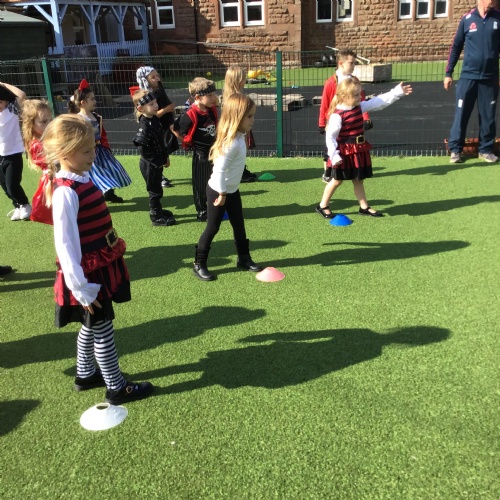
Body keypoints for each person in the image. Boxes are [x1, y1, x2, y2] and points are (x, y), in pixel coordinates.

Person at [41, 114, 154, 404]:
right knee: (103, 328)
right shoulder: (66, 192)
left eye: (92, 148)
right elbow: (65, 245)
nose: (93, 155)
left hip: (100, 265)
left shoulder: (80, 178)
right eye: (86, 151)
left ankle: (85, 373)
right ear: (65, 153)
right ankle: (116, 387)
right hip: (88, 274)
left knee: (91, 325)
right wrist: (81, 289)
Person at [316, 78, 412, 219]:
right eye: (356, 95)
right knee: (336, 180)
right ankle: (323, 206)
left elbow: (378, 102)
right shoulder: (337, 115)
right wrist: (334, 156)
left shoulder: (359, 107)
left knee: (358, 179)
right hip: (343, 153)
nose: (359, 97)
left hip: (357, 151)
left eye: (359, 94)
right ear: (344, 97)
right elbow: (330, 138)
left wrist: (396, 92)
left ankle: (364, 207)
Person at [193, 93, 263, 281]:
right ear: (237, 117)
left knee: (239, 224)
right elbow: (219, 171)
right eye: (249, 116)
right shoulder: (231, 143)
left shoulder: (239, 136)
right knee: (212, 227)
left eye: (253, 115)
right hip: (218, 191)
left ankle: (244, 258)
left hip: (231, 190)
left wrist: (229, 191)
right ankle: (199, 263)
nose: (253, 120)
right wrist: (222, 194)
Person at [445, 0, 500, 164]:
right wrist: (448, 73)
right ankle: (456, 150)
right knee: (461, 114)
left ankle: (486, 150)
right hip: (468, 77)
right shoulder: (467, 19)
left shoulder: (498, 18)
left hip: (490, 78)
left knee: (488, 116)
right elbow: (456, 46)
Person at [68, 79, 131, 202]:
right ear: (83, 102)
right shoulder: (79, 119)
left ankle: (109, 193)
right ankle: (93, 197)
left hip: (100, 150)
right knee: (95, 174)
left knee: (109, 169)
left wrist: (105, 146)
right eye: (92, 99)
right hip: (88, 151)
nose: (95, 101)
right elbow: (76, 138)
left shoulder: (96, 116)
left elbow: (101, 134)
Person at [318, 49, 372, 183]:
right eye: (351, 63)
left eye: (354, 63)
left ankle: (350, 170)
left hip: (351, 121)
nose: (353, 66)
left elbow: (361, 101)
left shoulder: (355, 81)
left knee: (350, 147)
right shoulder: (331, 82)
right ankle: (328, 173)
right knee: (330, 147)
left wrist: (365, 117)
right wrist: (322, 123)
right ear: (341, 63)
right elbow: (325, 103)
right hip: (335, 121)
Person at [173, 77, 218, 222]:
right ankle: (202, 210)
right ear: (198, 97)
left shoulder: (211, 110)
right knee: (201, 183)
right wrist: (187, 141)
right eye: (209, 95)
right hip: (201, 155)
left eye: (214, 94)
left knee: (215, 180)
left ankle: (214, 207)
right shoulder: (190, 114)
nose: (213, 98)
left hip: (214, 152)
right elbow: (175, 129)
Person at [132, 89, 176, 227]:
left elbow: (160, 142)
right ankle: (155, 216)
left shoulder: (154, 119)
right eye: (151, 104)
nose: (156, 105)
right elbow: (142, 148)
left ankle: (158, 210)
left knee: (157, 188)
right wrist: (157, 162)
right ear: (141, 108)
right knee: (154, 191)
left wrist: (165, 157)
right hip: (149, 165)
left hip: (156, 162)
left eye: (155, 102)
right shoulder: (144, 125)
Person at [136, 65, 177, 188]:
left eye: (157, 75)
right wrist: (166, 109)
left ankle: (160, 171)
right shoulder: (145, 97)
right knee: (154, 150)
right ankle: (157, 176)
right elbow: (151, 116)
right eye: (153, 77)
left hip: (163, 126)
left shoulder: (158, 88)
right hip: (154, 127)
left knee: (163, 148)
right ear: (145, 80)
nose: (157, 79)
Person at [0, 82, 31, 221]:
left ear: (7, 100)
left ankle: (25, 204)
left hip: (13, 153)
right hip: (0, 155)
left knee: (12, 185)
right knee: (4, 186)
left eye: (0, 102)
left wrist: (2, 84)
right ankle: (17, 206)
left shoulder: (12, 109)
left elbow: (22, 95)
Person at [222, 65, 258, 183]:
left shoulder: (235, 95)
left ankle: (241, 169)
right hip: (235, 129)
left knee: (241, 148)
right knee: (237, 148)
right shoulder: (233, 98)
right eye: (243, 78)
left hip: (240, 128)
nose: (245, 80)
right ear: (237, 80)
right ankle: (239, 172)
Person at [21, 99, 53, 172]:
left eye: (50, 120)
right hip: (53, 176)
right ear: (31, 124)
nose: (49, 124)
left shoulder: (49, 137)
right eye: (44, 121)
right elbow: (52, 164)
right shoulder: (36, 145)